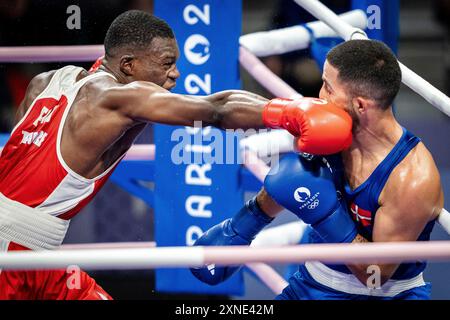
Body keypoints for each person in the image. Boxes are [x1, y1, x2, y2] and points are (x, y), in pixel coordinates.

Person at [0, 10, 352, 300]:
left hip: (34, 250)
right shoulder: (120, 97)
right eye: (166, 63)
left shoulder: (45, 82)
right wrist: (294, 113)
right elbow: (216, 109)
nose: (175, 74)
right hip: (15, 253)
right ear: (128, 65)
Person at [191, 40, 444, 300]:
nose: (320, 96)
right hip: (310, 286)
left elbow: (375, 277)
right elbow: (293, 181)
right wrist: (241, 227)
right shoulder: (329, 128)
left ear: (360, 105)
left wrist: (326, 215)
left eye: (328, 87)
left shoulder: (411, 178)